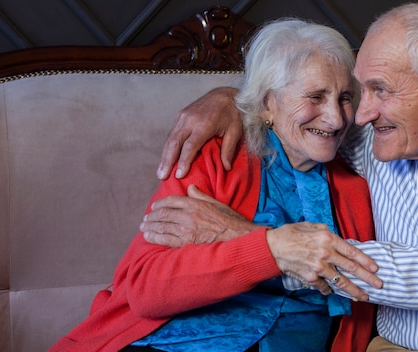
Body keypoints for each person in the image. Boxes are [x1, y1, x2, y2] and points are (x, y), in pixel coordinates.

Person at [143, 3, 418, 351]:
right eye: (360, 91)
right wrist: (229, 99)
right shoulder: (371, 142)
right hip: (391, 348)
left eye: (380, 91)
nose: (359, 115)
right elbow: (302, 120)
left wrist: (252, 240)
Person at [50, 18, 386, 352]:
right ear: (268, 103)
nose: (336, 118)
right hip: (180, 341)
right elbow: (146, 290)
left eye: (343, 98)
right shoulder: (217, 156)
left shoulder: (355, 188)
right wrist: (268, 249)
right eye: (315, 97)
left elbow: (362, 289)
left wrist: (241, 235)